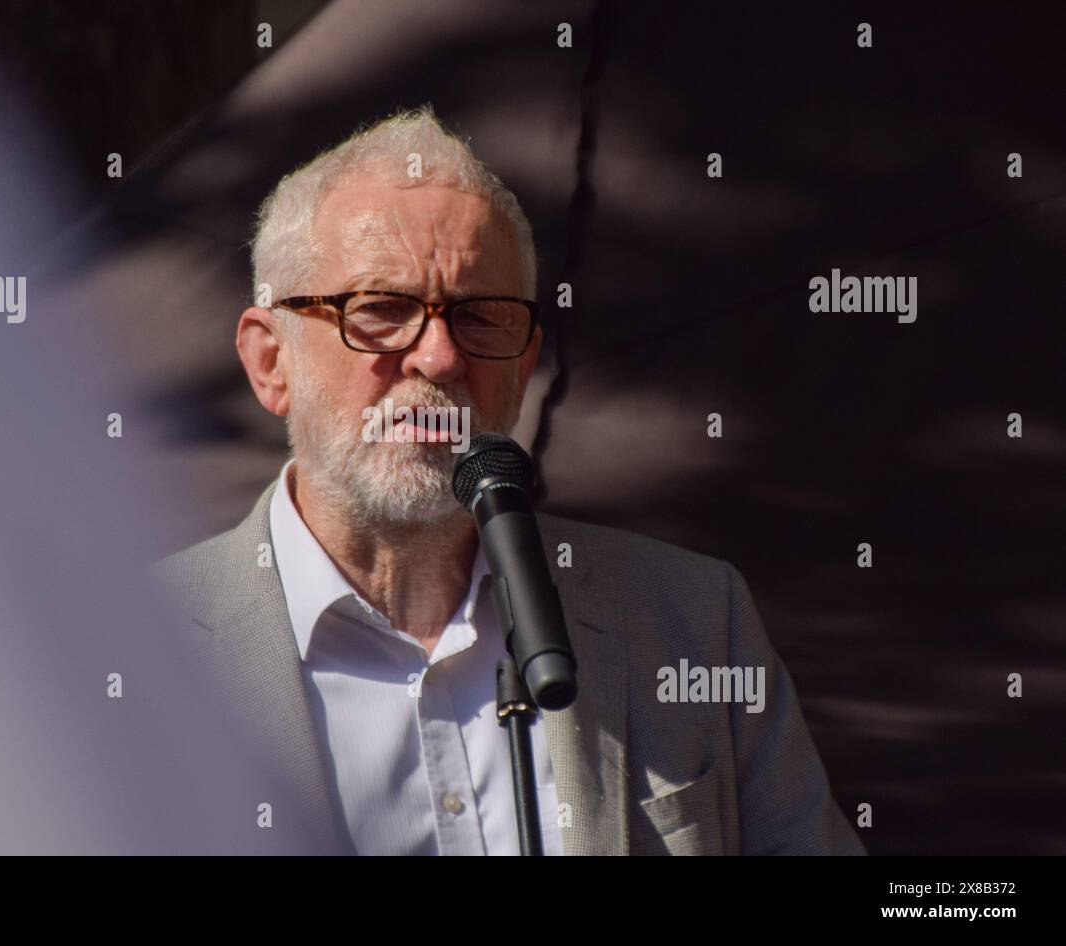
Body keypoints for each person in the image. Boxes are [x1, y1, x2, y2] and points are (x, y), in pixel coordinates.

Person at [151, 105, 865, 856]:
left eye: (482, 318)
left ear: (523, 368)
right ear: (271, 363)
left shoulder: (690, 621)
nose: (439, 358)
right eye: (382, 311)